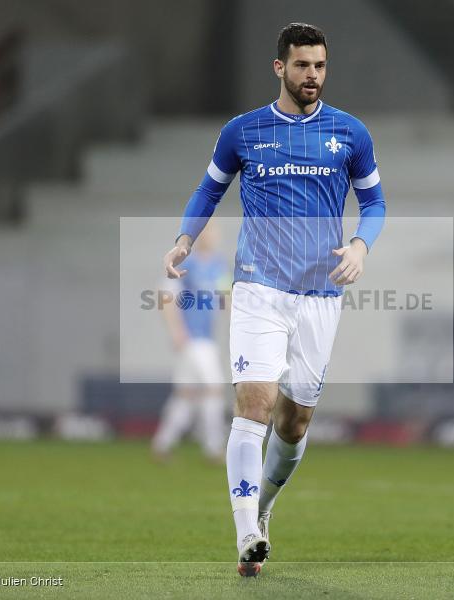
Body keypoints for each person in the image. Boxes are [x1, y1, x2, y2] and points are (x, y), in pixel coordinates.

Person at [162, 22, 386, 577]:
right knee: (254, 404)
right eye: (303, 65)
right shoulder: (243, 131)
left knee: (295, 422)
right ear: (279, 67)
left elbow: (375, 203)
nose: (313, 75)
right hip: (258, 287)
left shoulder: (350, 133)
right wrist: (186, 238)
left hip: (320, 295)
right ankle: (245, 532)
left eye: (320, 66)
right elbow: (209, 188)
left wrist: (361, 245)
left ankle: (261, 509)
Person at [152, 221, 229, 463]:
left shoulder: (218, 265)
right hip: (193, 339)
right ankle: (214, 448)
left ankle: (161, 445)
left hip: (206, 338)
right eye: (208, 231)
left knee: (186, 395)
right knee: (214, 388)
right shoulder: (186, 262)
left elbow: (227, 299)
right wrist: (176, 331)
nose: (212, 236)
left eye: (214, 231)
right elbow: (165, 295)